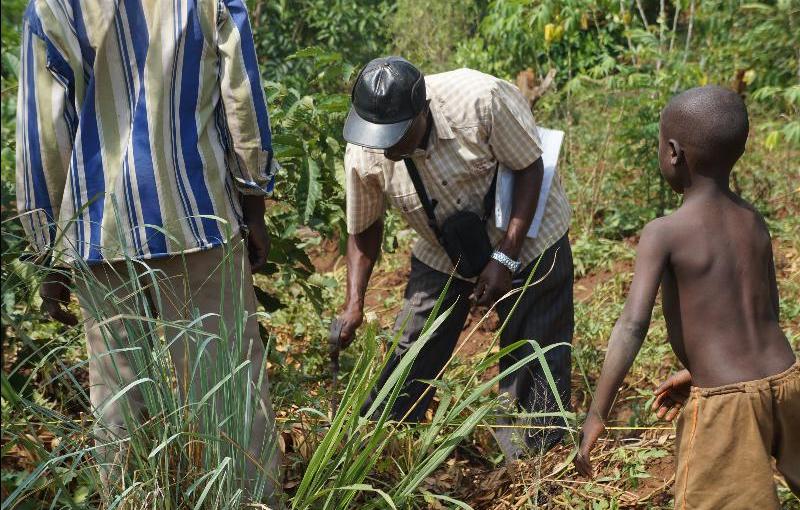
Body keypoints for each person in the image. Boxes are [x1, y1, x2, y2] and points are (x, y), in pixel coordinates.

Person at [16, 0, 281, 501]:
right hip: (197, 215)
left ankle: (133, 498)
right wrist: (254, 203)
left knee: (118, 396)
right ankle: (249, 500)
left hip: (100, 229)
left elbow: (44, 134)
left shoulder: (51, 7)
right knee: (228, 381)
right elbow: (241, 97)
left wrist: (46, 250)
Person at [336, 57, 574, 459]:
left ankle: (533, 461)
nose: (386, 146)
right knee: (414, 343)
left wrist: (506, 256)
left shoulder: (482, 101)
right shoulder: (367, 150)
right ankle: (378, 448)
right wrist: (353, 304)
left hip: (527, 230)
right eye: (377, 135)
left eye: (395, 135)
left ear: (421, 111)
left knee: (535, 350)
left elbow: (530, 167)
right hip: (443, 247)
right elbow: (364, 228)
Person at [575, 86, 799, 509]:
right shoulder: (754, 220)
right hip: (788, 381)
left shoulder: (665, 232)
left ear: (673, 152)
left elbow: (631, 325)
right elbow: (766, 310)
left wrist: (596, 415)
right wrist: (700, 370)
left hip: (725, 404)